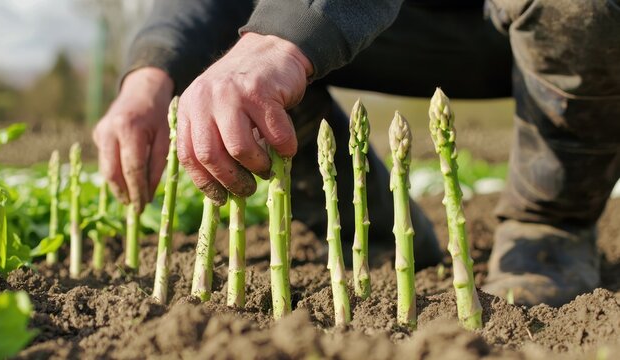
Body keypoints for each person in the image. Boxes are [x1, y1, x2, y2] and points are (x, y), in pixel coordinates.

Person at [93, 0, 620, 306]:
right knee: (207, 49)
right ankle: (372, 228)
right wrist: (151, 71)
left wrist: (286, 34)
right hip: (380, 25)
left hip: (538, 20)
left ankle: (549, 225)